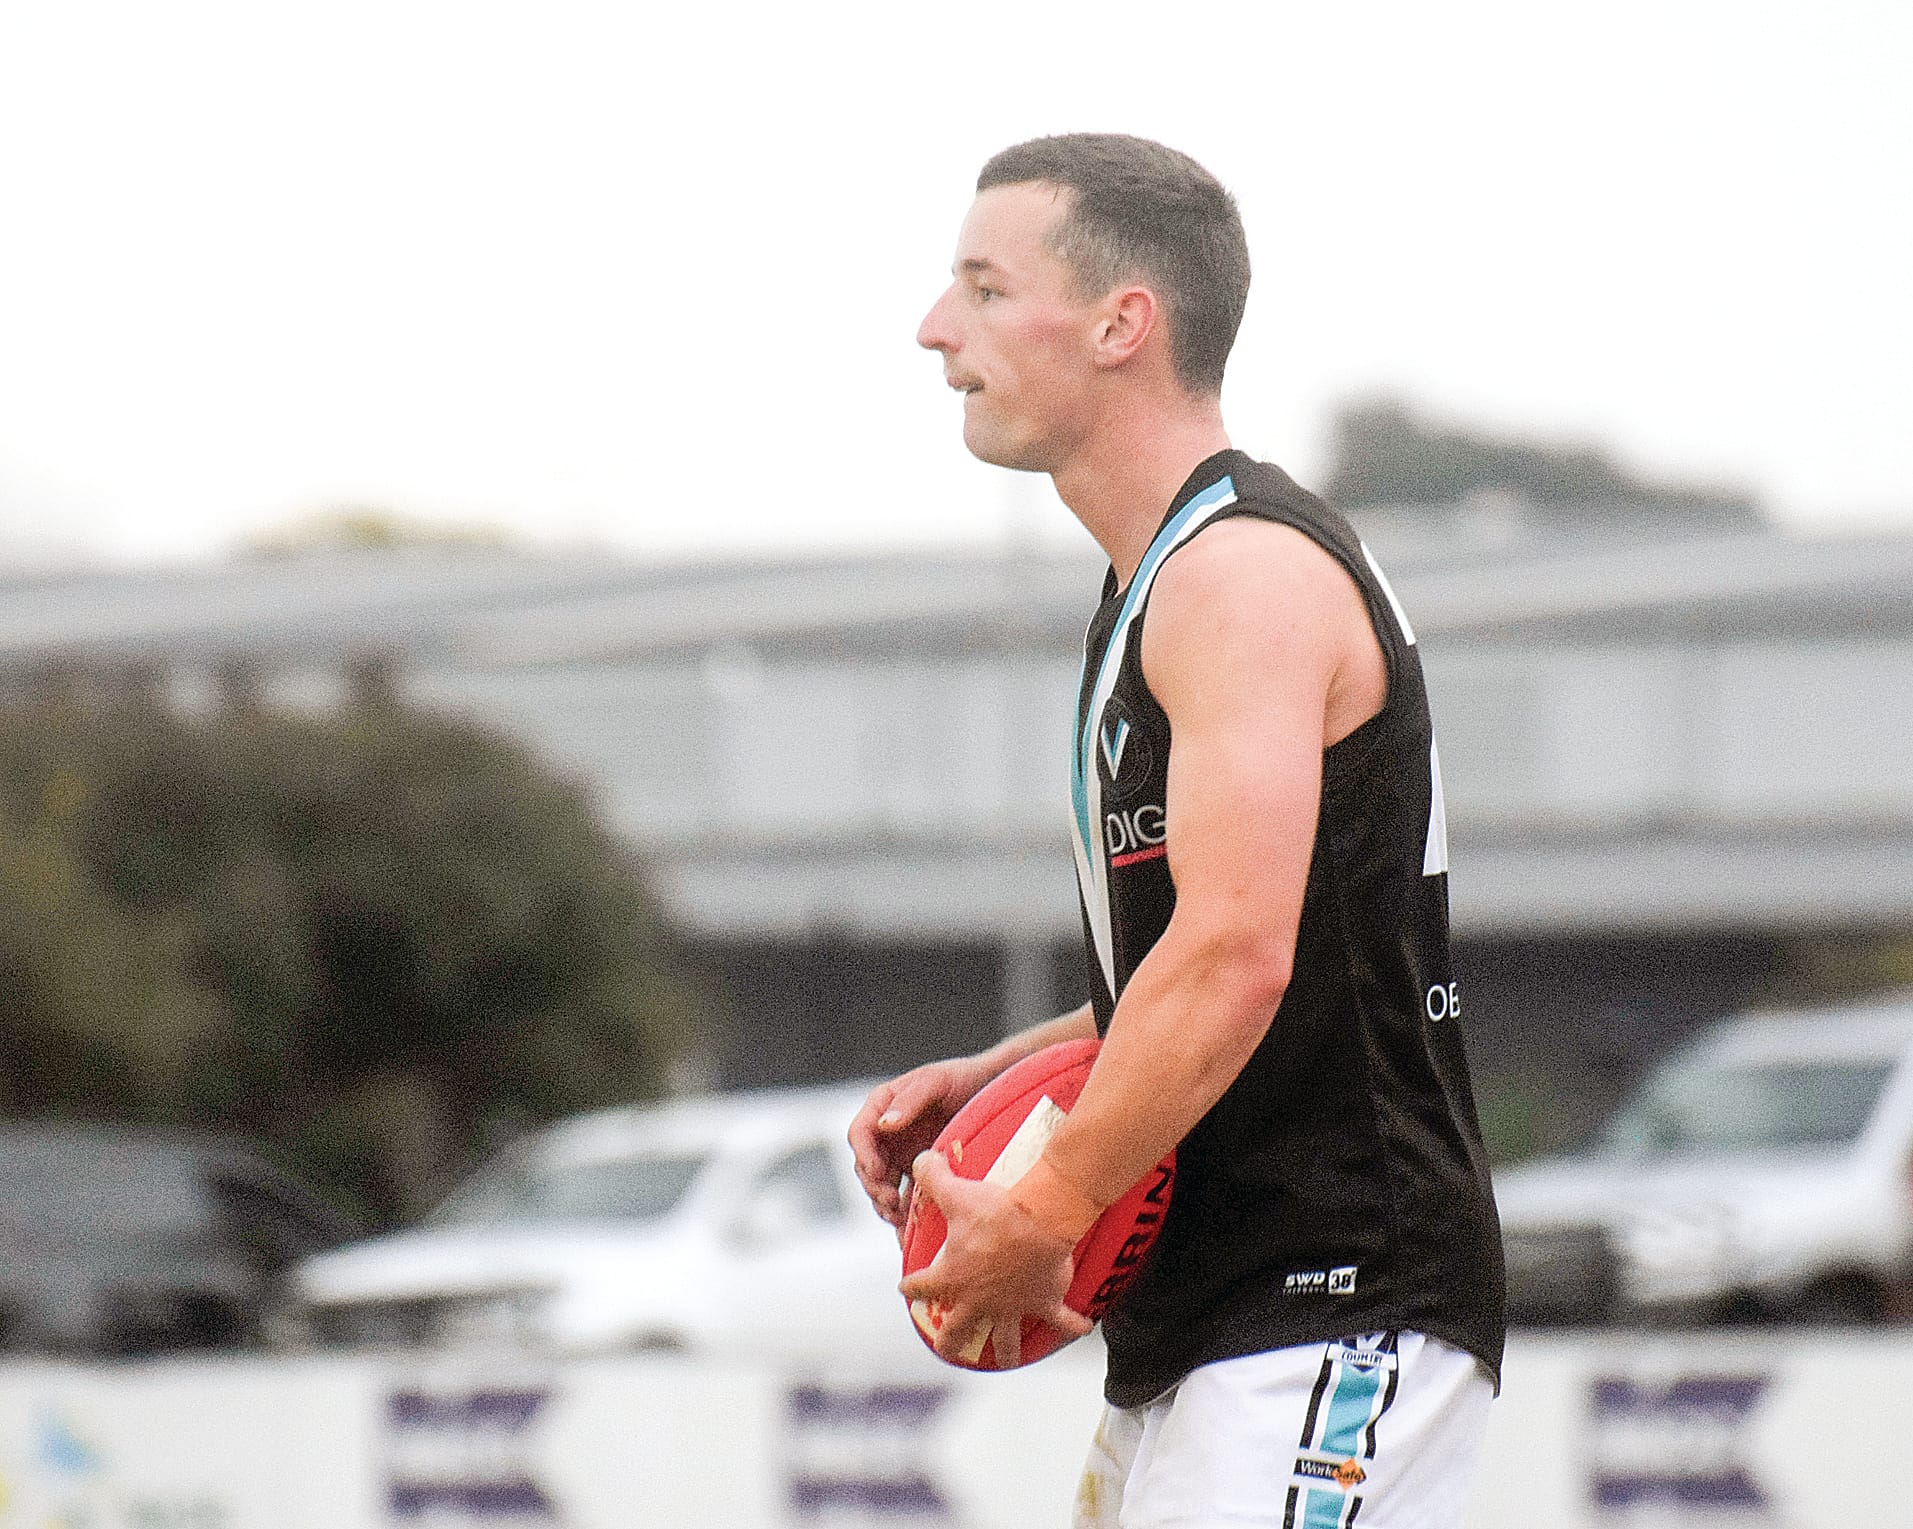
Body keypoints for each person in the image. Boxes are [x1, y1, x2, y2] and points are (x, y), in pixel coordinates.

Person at [848, 134, 1505, 1529]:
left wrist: (1038, 1209)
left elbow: (1232, 961)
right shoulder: (1163, 578)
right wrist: (1003, 1073)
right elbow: (1262, 948)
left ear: (1117, 324)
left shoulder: (1237, 575)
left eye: (980, 286)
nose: (933, 328)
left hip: (1328, 1303)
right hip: (1222, 1325)